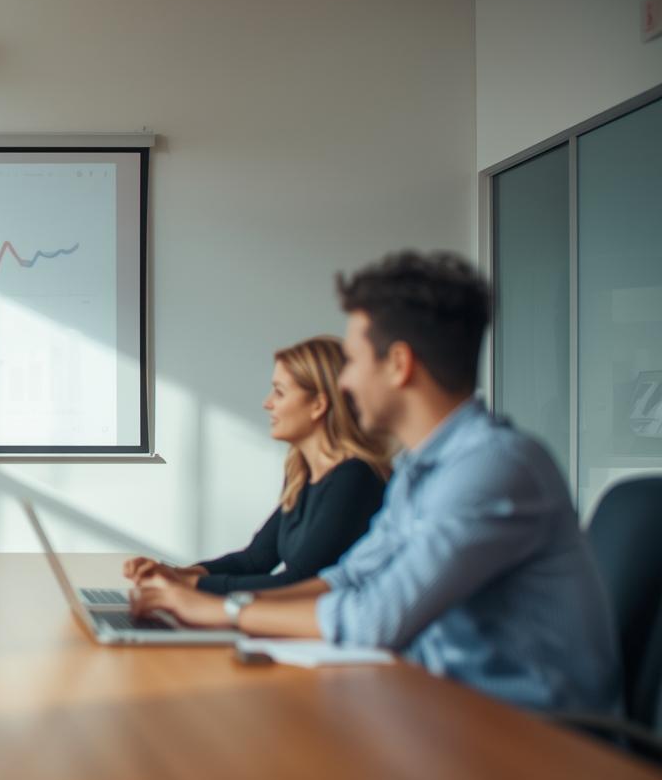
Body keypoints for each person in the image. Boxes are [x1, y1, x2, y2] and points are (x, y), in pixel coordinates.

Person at [131, 252, 620, 715]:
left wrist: (221, 611)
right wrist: (201, 602)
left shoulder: (494, 470)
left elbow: (375, 619)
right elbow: (346, 579)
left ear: (399, 364)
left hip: (531, 735)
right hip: (441, 706)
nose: (344, 383)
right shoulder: (418, 470)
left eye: (355, 361)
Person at [123, 336, 390, 595]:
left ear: (318, 405)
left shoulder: (355, 478)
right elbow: (253, 560)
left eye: (279, 392)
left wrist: (189, 588)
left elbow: (299, 583)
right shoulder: (303, 474)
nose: (267, 403)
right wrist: (177, 575)